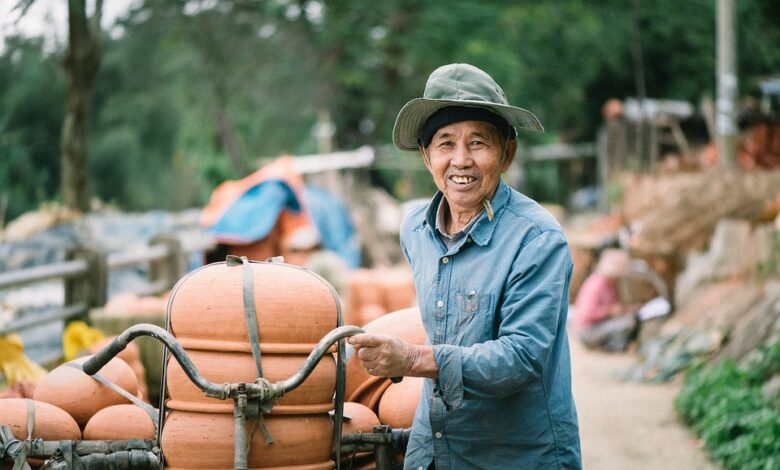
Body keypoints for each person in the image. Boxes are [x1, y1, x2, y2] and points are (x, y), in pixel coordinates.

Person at [348, 63, 581, 469]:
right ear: (426, 156)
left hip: (517, 455)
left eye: (478, 143)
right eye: (445, 143)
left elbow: (522, 358)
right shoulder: (415, 230)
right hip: (434, 450)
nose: (461, 160)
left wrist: (414, 359)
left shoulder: (537, 239)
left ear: (507, 154)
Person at [573, 248, 638, 352]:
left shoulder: (610, 284)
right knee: (627, 323)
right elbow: (588, 313)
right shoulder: (597, 284)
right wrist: (609, 311)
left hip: (597, 326)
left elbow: (616, 306)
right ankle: (613, 348)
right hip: (586, 330)